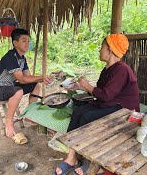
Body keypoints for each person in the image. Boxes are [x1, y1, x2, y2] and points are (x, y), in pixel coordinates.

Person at [54, 34, 140, 175]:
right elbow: (100, 92)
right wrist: (79, 87)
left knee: (88, 117)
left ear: (110, 50)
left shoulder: (122, 70)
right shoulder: (108, 69)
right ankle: (72, 158)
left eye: (102, 47)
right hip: (109, 103)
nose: (99, 50)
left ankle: (93, 163)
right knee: (78, 111)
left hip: (124, 110)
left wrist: (87, 85)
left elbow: (105, 96)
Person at [0, 28, 51, 138]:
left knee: (35, 85)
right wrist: (41, 77)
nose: (27, 43)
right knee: (18, 91)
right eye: (24, 40)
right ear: (15, 43)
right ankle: (9, 122)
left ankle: (30, 115)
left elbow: (28, 77)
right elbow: (21, 79)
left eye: (28, 41)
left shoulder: (22, 58)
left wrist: (43, 79)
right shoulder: (11, 57)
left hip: (8, 86)